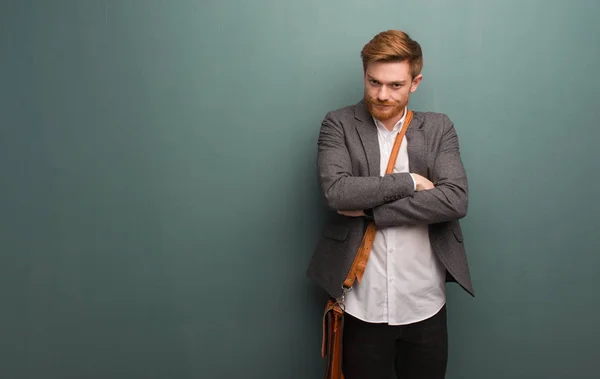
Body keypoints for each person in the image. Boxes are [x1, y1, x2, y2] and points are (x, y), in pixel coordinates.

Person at [307, 30, 474, 379]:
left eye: (395, 85)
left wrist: (370, 209)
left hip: (425, 304)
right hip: (361, 306)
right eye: (374, 82)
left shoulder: (439, 128)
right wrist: (410, 181)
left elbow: (454, 199)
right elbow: (337, 193)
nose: (382, 95)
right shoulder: (338, 124)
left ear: (415, 82)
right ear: (365, 75)